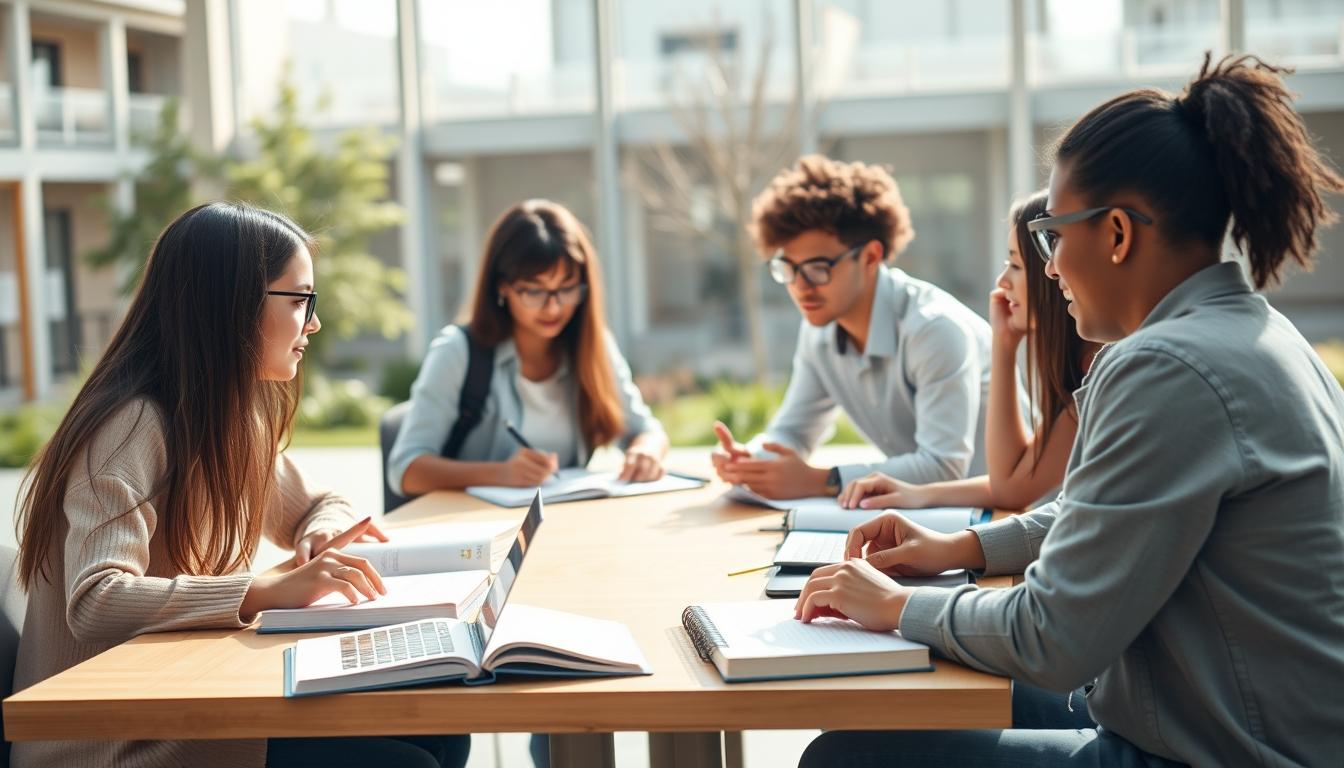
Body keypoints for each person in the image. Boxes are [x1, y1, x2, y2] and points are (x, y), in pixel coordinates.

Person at [794, 54, 1344, 767]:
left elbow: (1049, 639)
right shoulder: (1255, 331)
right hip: (1222, 714)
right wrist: (962, 549)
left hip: (1221, 749)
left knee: (844, 760)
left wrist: (895, 606)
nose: (1048, 267)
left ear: (1116, 234)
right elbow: (1107, 504)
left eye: (1053, 236)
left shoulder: (1169, 368)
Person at [11, 202, 469, 768]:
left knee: (445, 730)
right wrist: (266, 591)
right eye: (301, 300)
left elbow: (321, 504)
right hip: (112, 743)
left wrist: (321, 535)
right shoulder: (130, 426)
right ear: (232, 306)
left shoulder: (224, 419)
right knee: (408, 759)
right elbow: (96, 599)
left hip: (185, 700)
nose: (314, 324)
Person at [712, 155, 1001, 500]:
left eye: (818, 267)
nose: (800, 286)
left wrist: (821, 480)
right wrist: (751, 461)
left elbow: (944, 466)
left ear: (870, 257)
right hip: (923, 520)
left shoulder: (934, 330)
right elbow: (792, 432)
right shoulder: (818, 330)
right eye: (788, 268)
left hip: (1000, 517)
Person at [838, 190, 1099, 512]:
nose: (1002, 281)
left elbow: (1011, 489)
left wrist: (1002, 350)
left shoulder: (1096, 368)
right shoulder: (1075, 364)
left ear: (1052, 272)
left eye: (1016, 265)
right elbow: (1012, 483)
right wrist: (919, 494)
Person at [388, 199, 668, 498]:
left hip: (566, 522)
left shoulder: (593, 345)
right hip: (476, 531)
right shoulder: (457, 351)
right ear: (502, 287)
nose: (553, 306)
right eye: (534, 291)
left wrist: (645, 452)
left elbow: (647, 430)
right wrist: (500, 474)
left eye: (567, 287)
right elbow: (405, 471)